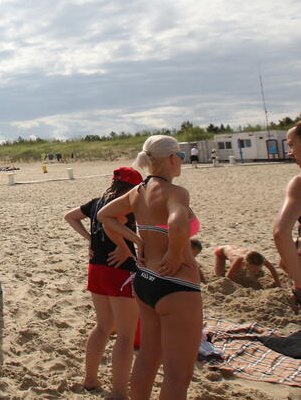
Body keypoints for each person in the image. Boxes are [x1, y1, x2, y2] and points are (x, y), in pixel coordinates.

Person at [98, 135, 202, 400]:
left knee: (147, 359)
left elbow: (105, 215)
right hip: (176, 284)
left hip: (145, 281)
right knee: (178, 375)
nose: (181, 160)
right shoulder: (175, 192)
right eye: (179, 155)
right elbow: (178, 222)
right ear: (171, 158)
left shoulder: (139, 191)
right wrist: (177, 254)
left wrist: (137, 239)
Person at [64, 166, 143, 397]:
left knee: (103, 326)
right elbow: (111, 223)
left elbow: (70, 217)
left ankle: (90, 379)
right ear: (133, 187)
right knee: (126, 334)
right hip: (119, 270)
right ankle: (119, 392)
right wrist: (124, 247)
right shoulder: (125, 203)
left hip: (96, 267)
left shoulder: (97, 201)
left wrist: (91, 240)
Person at [272, 122, 301, 306]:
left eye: (291, 145)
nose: (289, 152)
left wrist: (299, 284)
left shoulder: (298, 184)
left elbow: (280, 234)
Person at [213, 245, 281, 287]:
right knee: (219, 277)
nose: (256, 272)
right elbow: (228, 279)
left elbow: (272, 269)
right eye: (254, 270)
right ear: (247, 264)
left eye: (258, 270)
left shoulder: (260, 257)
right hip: (220, 253)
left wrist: (278, 284)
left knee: (255, 274)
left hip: (233, 249)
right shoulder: (238, 260)